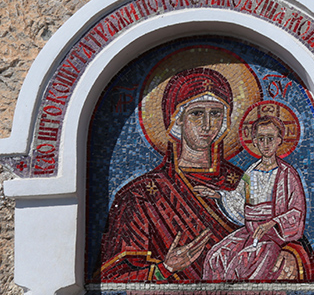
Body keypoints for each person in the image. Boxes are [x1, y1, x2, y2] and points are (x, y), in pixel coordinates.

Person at [93, 67, 243, 283]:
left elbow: (285, 237)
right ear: (177, 119)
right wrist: (165, 268)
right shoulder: (139, 196)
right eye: (197, 113)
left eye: (216, 113)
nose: (207, 125)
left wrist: (288, 258)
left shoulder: (242, 182)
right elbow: (113, 277)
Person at [199, 115, 314, 281]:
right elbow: (240, 199)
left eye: (270, 138)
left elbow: (296, 211)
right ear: (254, 142)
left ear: (279, 141)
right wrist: (218, 194)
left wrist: (272, 223)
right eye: (261, 139)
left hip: (273, 236)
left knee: (243, 263)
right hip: (249, 232)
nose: (266, 144)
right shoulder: (251, 172)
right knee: (217, 256)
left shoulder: (287, 174)